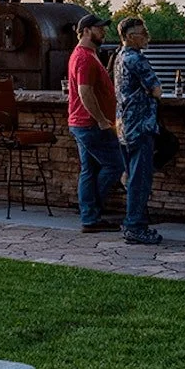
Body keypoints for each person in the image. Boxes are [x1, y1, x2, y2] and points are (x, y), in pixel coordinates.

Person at [67, 14, 125, 234]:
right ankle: (90, 212)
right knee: (115, 165)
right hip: (90, 124)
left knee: (89, 170)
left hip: (83, 123)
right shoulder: (84, 58)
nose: (104, 32)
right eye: (100, 29)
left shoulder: (87, 55)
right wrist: (101, 119)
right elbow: (84, 91)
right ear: (87, 30)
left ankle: (90, 218)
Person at [114, 17, 163, 245]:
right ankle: (135, 225)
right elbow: (156, 90)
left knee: (133, 176)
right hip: (141, 125)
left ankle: (135, 220)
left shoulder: (119, 57)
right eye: (143, 32)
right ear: (131, 36)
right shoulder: (137, 59)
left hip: (124, 124)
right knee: (140, 178)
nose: (146, 36)